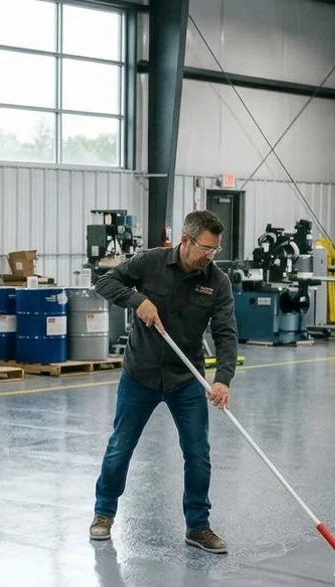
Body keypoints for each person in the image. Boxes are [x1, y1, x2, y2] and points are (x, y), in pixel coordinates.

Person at [88, 209, 237, 554]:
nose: (210, 256)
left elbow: (226, 332)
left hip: (186, 378)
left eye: (216, 250)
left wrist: (223, 379)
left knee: (198, 452)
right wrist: (137, 300)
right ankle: (103, 514)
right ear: (186, 241)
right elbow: (105, 281)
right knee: (121, 446)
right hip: (140, 373)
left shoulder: (217, 282)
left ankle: (198, 527)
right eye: (205, 248)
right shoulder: (151, 262)